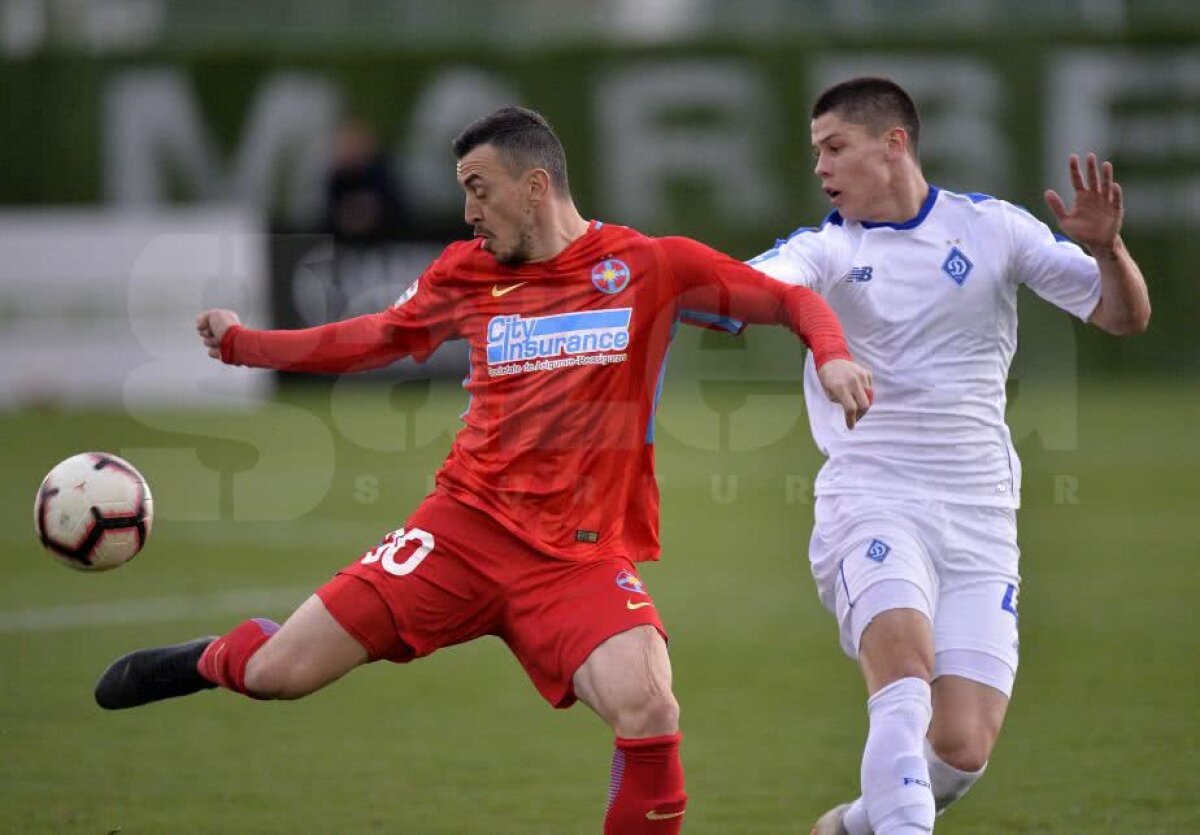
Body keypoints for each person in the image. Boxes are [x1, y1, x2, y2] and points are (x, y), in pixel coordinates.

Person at [93, 105, 874, 833]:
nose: (467, 211)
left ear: (535, 187)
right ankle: (207, 657)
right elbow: (374, 339)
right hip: (460, 533)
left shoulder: (649, 266)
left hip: (576, 558)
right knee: (277, 672)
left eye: (478, 190)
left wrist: (833, 357)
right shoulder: (467, 273)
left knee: (650, 707)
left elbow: (791, 303)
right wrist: (243, 345)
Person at [745, 78, 1150, 835]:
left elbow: (1123, 315)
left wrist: (1108, 249)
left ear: (893, 143)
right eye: (814, 153)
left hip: (980, 511)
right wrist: (815, 337)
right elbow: (750, 289)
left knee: (960, 748)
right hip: (872, 497)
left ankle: (846, 828)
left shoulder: (991, 228)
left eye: (834, 147)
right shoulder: (828, 245)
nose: (821, 167)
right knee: (903, 679)